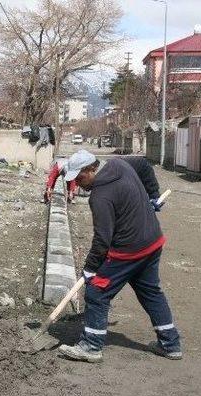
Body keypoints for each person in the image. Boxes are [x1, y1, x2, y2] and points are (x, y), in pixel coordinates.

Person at [57, 150, 181, 363]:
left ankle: (91, 346)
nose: (78, 183)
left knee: (97, 291)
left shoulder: (100, 197)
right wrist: (153, 193)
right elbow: (144, 165)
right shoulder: (120, 164)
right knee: (151, 292)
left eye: (80, 177)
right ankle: (170, 344)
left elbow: (102, 240)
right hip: (152, 241)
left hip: (128, 251)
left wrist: (90, 269)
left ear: (91, 168)